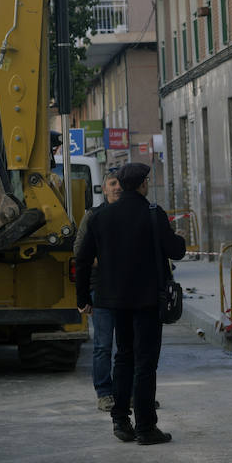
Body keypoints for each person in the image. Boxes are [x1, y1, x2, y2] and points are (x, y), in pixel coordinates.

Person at [76, 162, 185, 445]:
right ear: (143, 184)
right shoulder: (152, 214)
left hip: (114, 301)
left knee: (122, 358)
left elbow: (83, 258)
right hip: (148, 300)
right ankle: (146, 427)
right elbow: (176, 250)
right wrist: (179, 239)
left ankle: (121, 421)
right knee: (145, 363)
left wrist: (82, 297)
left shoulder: (101, 217)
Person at [74, 168, 123, 412]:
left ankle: (131, 392)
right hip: (101, 290)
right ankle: (104, 393)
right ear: (104, 189)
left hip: (128, 291)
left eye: (120, 184)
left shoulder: (131, 214)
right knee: (103, 345)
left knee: (129, 346)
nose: (117, 188)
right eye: (112, 184)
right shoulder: (93, 216)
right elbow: (79, 251)